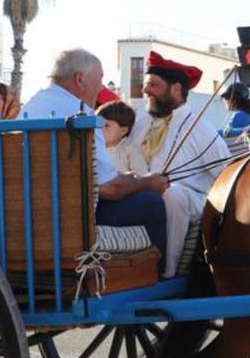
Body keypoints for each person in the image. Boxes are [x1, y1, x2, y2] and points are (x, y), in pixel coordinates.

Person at [22, 49, 170, 273]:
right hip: (70, 220)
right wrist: (147, 182)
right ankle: (149, 277)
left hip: (28, 216)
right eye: (100, 78)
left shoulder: (30, 107)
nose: (101, 87)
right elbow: (110, 188)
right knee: (151, 203)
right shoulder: (79, 116)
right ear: (80, 79)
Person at [118, 50, 231, 274]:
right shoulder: (140, 125)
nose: (145, 90)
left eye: (154, 85)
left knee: (171, 194)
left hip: (189, 202)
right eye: (146, 84)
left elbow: (227, 173)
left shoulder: (201, 129)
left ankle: (167, 274)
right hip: (143, 195)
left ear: (176, 89)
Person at [218, 81, 250, 153]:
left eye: (226, 98)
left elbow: (227, 140)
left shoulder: (239, 116)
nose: (224, 101)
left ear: (233, 100)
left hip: (249, 155)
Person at [96, 99, 136, 170]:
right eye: (98, 124)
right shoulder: (94, 150)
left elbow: (141, 175)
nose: (100, 129)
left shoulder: (129, 151)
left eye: (106, 125)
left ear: (123, 130)